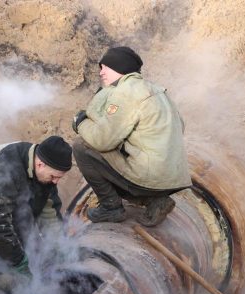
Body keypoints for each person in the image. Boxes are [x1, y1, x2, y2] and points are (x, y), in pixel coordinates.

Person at [71, 46, 191, 226]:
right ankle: (154, 201)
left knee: (82, 147)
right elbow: (180, 126)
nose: (101, 73)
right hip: (174, 177)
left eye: (105, 67)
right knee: (119, 160)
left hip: (150, 177)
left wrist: (81, 123)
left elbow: (102, 141)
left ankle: (111, 207)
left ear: (119, 68)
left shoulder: (126, 92)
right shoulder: (158, 91)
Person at [0, 135, 72, 277]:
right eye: (53, 177)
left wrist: (59, 246)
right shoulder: (6, 168)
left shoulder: (43, 168)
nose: (55, 182)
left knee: (25, 231)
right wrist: (19, 263)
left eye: (59, 178)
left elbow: (49, 211)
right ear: (40, 164)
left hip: (3, 192)